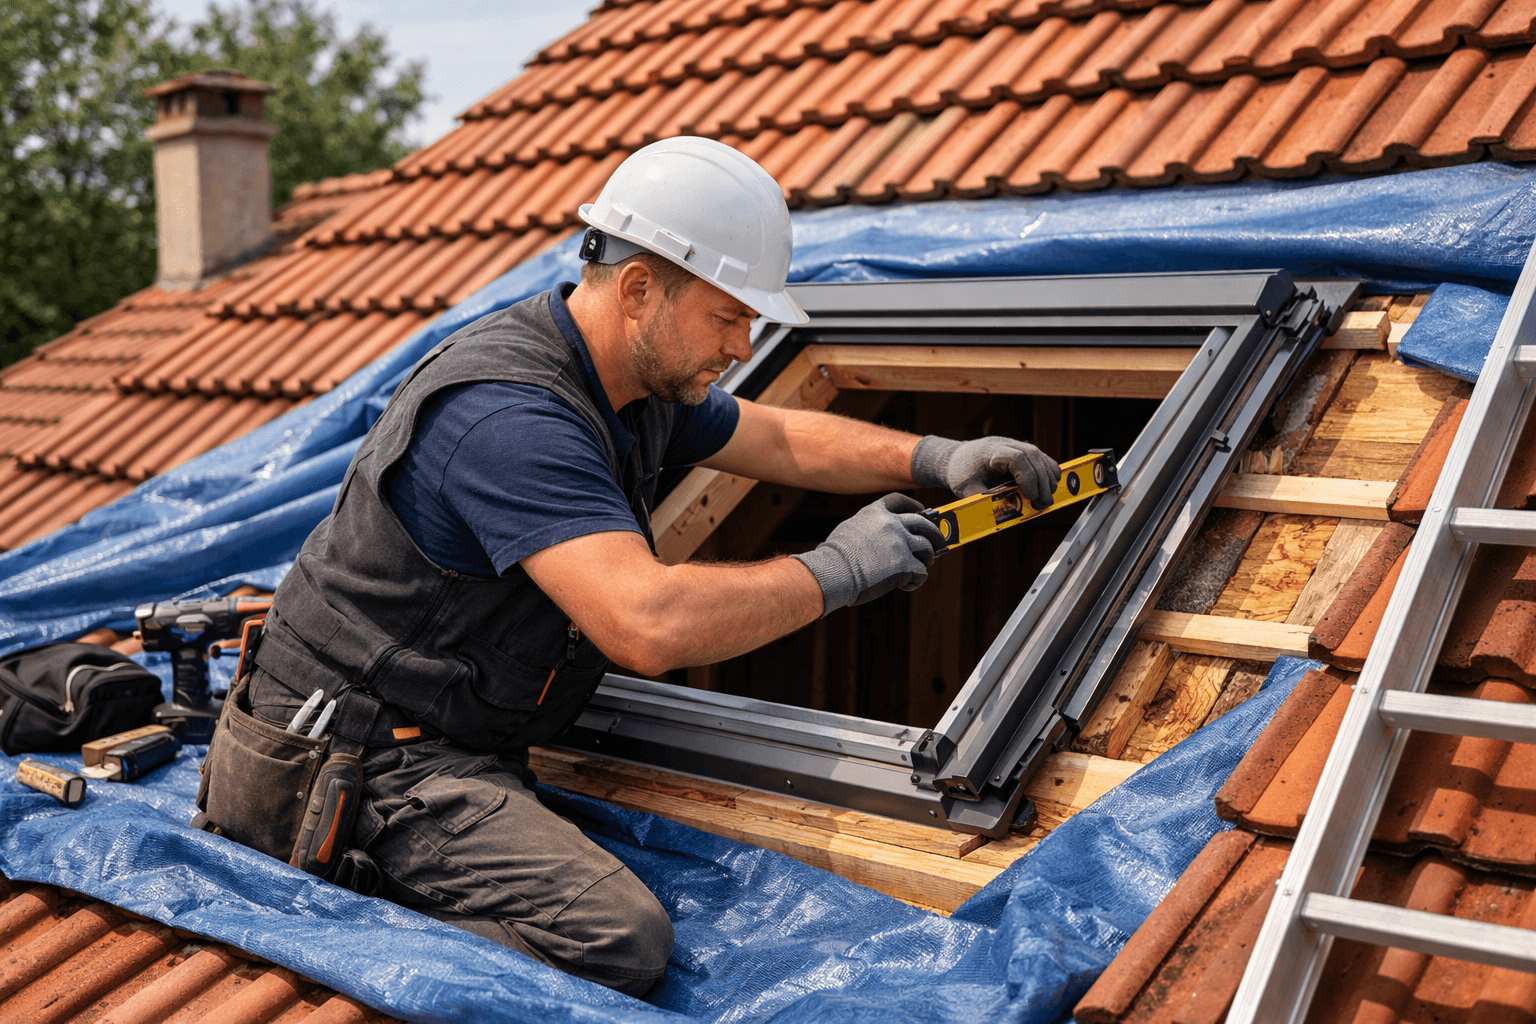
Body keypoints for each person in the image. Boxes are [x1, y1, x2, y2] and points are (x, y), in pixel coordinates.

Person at [228, 138, 1060, 995]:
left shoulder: (635, 378)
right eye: (729, 316)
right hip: (352, 763)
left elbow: (776, 437)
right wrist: (838, 569)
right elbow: (646, 623)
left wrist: (936, 457)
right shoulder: (509, 418)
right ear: (638, 289)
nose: (744, 343)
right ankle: (337, 951)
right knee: (615, 938)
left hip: (449, 731)